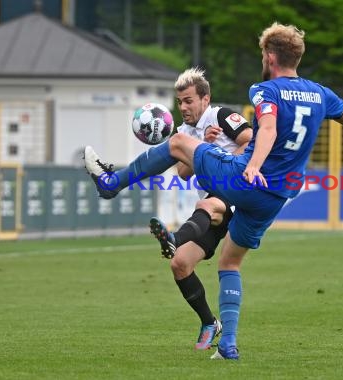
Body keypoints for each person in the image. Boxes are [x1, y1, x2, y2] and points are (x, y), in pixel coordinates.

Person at [87, 22, 343, 360]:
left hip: (245, 178)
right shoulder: (320, 93)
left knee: (176, 141)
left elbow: (268, 129)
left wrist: (253, 164)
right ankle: (228, 345)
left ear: (269, 55)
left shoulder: (266, 91)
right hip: (275, 197)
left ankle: (111, 183)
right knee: (230, 262)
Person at [84, 67, 252, 351]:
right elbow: (184, 173)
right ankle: (210, 322)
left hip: (236, 190)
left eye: (188, 100)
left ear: (205, 98)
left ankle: (171, 236)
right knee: (180, 265)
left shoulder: (221, 116)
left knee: (208, 205)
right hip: (213, 201)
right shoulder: (184, 132)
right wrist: (203, 146)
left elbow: (250, 142)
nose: (183, 107)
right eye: (180, 102)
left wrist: (219, 158)